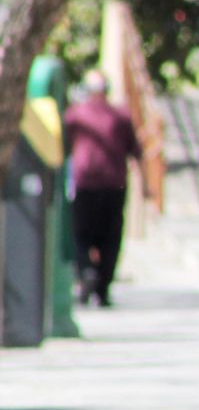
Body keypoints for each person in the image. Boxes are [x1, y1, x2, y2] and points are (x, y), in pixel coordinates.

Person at [63, 70, 143, 307]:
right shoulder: (120, 116)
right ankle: (103, 288)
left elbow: (63, 147)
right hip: (113, 184)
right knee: (111, 237)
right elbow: (135, 152)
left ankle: (87, 271)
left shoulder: (75, 115)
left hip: (85, 183)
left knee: (81, 235)